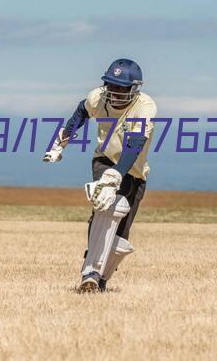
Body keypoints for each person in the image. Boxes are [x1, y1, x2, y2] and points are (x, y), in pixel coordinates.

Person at [43, 58, 157, 292]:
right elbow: (80, 113)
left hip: (132, 170)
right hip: (104, 160)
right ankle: (91, 271)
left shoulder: (145, 106)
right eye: (111, 86)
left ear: (133, 89)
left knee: (120, 238)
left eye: (121, 88)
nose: (115, 92)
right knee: (108, 206)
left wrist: (117, 175)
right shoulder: (98, 97)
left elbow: (134, 146)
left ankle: (100, 279)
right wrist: (59, 144)